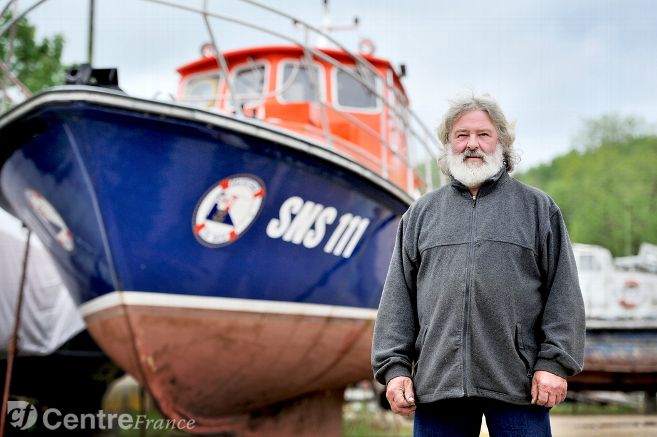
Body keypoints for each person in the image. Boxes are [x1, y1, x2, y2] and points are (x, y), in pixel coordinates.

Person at [371, 93, 586, 436]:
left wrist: (554, 364)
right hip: (438, 385)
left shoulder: (537, 209)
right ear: (448, 144)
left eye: (483, 134)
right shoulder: (420, 215)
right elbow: (398, 298)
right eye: (462, 135)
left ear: (501, 141)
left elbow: (564, 294)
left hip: (519, 383)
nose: (473, 144)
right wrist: (394, 369)